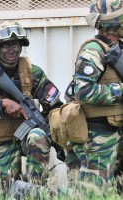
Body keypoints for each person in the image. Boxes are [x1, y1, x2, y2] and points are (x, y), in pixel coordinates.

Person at [0, 20, 64, 199]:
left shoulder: (33, 72)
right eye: (6, 45)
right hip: (2, 140)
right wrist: (1, 105)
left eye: (16, 44)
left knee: (38, 136)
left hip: (29, 137)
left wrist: (60, 138)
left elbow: (55, 106)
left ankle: (36, 189)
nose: (12, 50)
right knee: (8, 191)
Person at [65, 0, 123, 189]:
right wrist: (119, 91)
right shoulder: (94, 51)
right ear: (113, 22)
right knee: (91, 192)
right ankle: (30, 192)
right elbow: (83, 91)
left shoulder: (119, 49)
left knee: (115, 188)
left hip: (115, 130)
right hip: (98, 134)